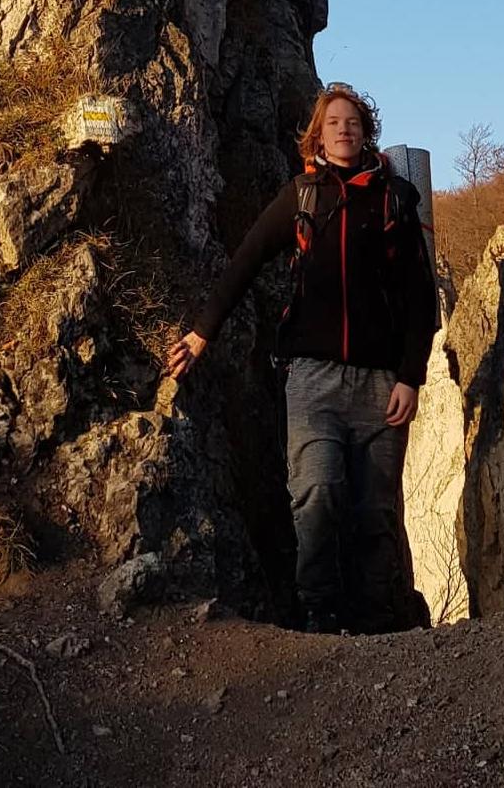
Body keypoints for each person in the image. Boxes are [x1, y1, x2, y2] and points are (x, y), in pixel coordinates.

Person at [167, 81, 438, 635]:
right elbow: (245, 260)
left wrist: (411, 376)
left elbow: (419, 296)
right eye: (334, 122)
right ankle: (320, 618)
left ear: (366, 134)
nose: (345, 129)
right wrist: (201, 334)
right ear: (319, 134)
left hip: (382, 383)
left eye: (354, 122)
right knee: (316, 493)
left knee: (375, 513)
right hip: (311, 380)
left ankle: (376, 627)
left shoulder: (395, 200)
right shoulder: (302, 195)